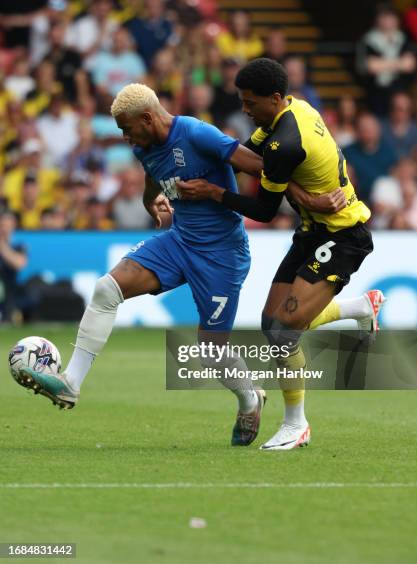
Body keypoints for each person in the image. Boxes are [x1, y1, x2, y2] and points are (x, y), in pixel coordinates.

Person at [17, 82, 344, 448]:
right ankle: (71, 383)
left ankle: (249, 397)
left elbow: (262, 167)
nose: (125, 138)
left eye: (127, 128)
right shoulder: (144, 146)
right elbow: (152, 177)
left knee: (210, 350)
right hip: (179, 241)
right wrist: (151, 201)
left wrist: (309, 200)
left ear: (147, 117)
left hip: (221, 255)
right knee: (106, 289)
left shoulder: (196, 133)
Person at [178, 58, 384, 451]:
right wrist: (303, 194)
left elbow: (264, 211)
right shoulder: (295, 109)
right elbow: (249, 158)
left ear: (274, 98)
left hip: (343, 236)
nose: (244, 109)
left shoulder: (285, 142)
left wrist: (213, 193)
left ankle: (297, 425)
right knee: (272, 324)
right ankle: (361, 308)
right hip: (312, 231)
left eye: (250, 102)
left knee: (283, 333)